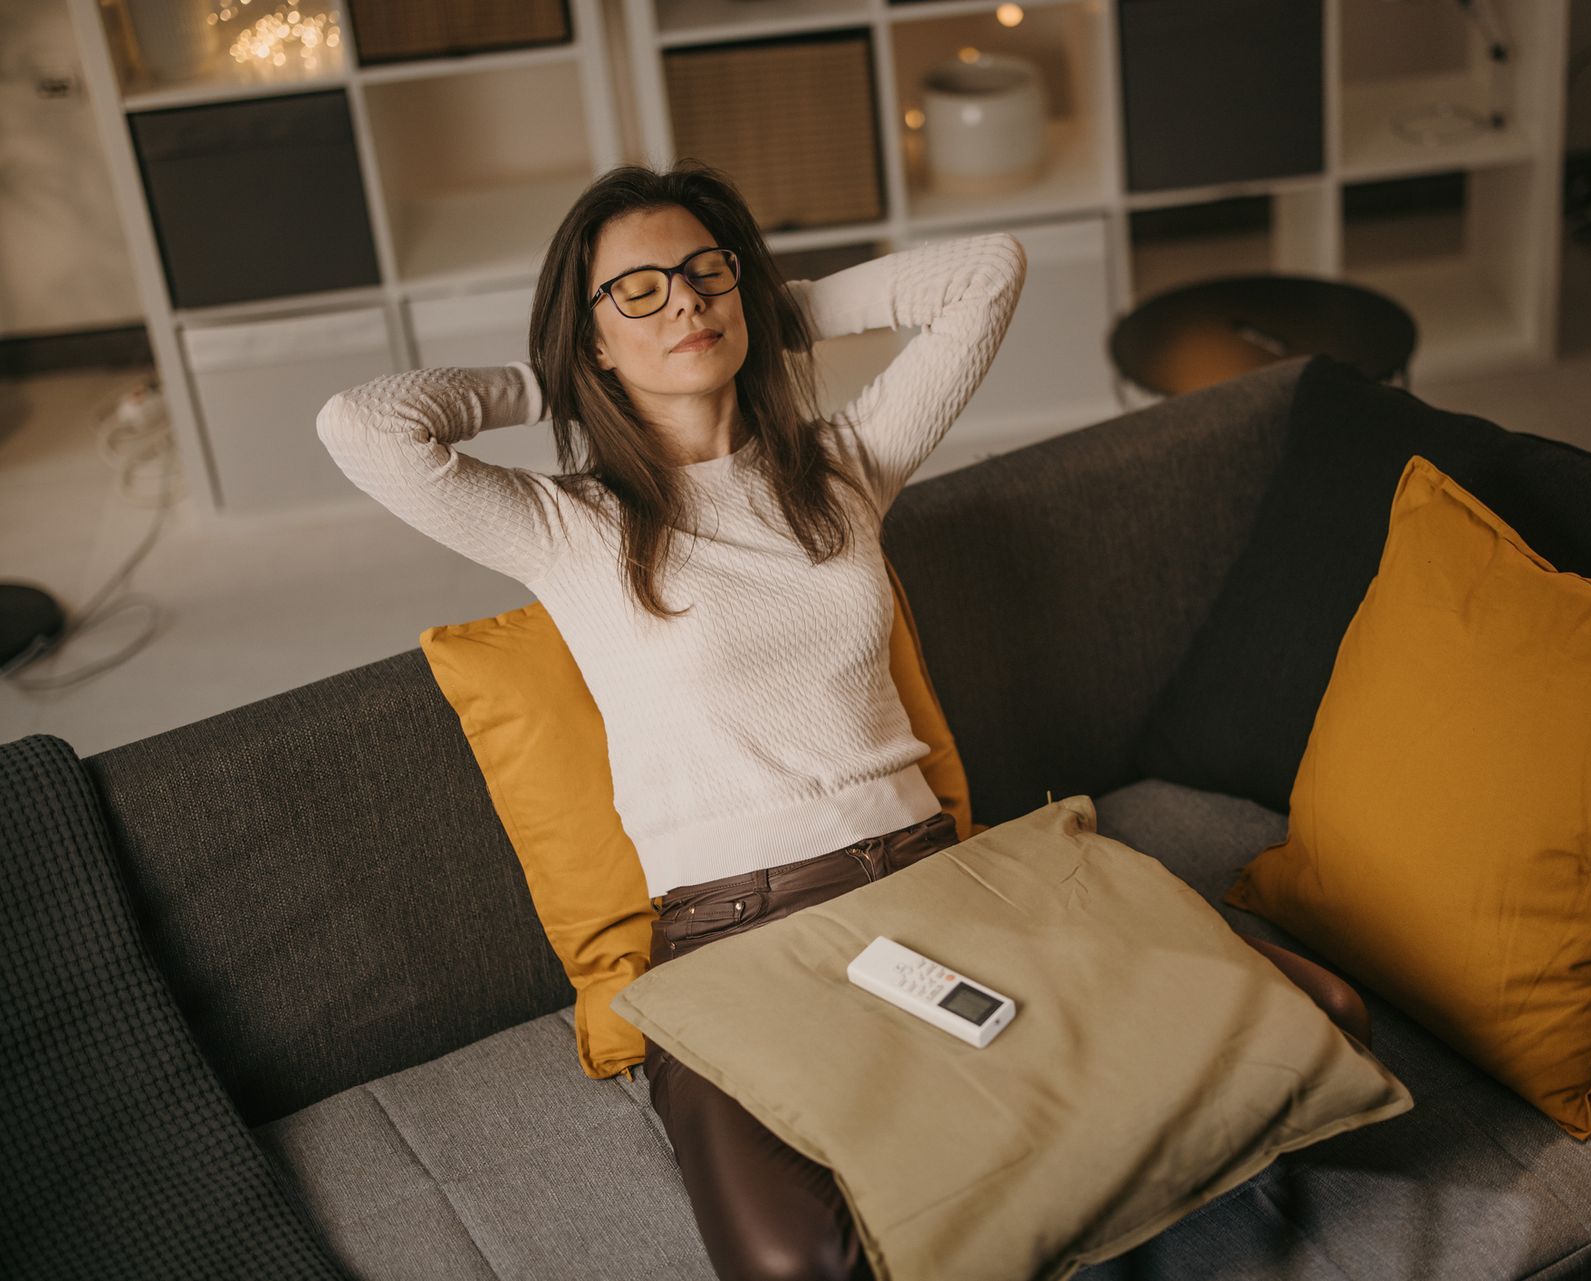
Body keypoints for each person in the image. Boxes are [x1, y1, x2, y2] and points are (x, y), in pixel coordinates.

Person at [317, 160, 1370, 1281]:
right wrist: (554, 378)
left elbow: (985, 274)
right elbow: (366, 425)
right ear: (590, 343)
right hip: (733, 938)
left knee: (1318, 1016)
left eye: (702, 271)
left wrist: (765, 310)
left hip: (937, 881)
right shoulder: (567, 525)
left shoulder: (841, 468)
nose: (682, 301)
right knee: (799, 1266)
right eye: (636, 291)